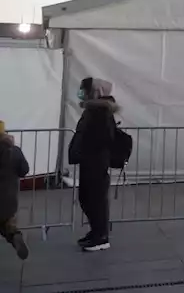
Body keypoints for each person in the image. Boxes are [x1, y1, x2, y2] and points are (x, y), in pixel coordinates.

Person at [68, 77, 118, 252]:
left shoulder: (101, 111)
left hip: (96, 162)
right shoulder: (92, 109)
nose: (81, 92)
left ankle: (101, 236)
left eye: (84, 89)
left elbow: (103, 137)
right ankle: (96, 231)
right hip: (89, 160)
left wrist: (88, 148)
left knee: (95, 199)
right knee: (86, 198)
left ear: (95, 91)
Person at [0, 121, 30, 260]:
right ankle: (15, 236)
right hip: (9, 201)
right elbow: (24, 170)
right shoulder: (15, 150)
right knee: (7, 225)